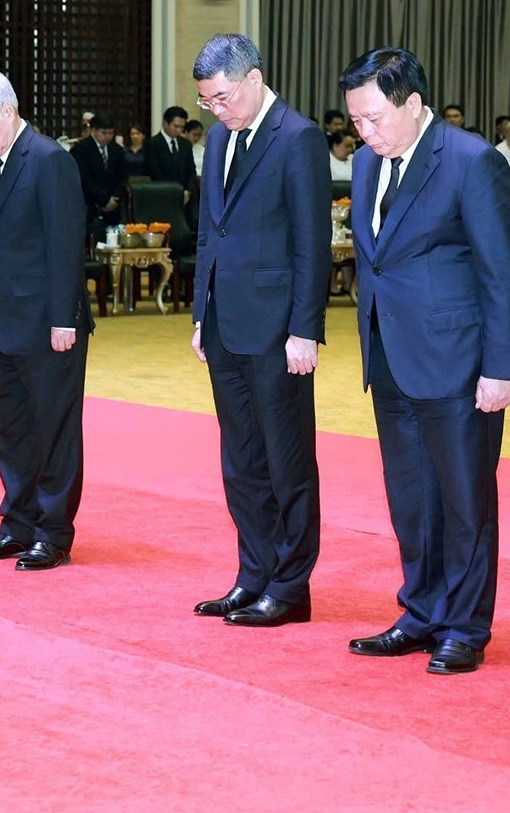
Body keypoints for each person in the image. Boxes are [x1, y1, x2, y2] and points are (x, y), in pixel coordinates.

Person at [341, 47, 510, 676]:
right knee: (412, 496)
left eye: (371, 117)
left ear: (413, 104)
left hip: (459, 359)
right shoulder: (369, 164)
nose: (361, 132)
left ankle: (465, 625)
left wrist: (502, 367)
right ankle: (420, 611)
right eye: (355, 120)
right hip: (391, 354)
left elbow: (502, 274)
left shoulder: (472, 161)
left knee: (464, 497)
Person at [187, 35, 330, 627]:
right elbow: (208, 231)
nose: (214, 111)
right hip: (225, 322)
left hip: (277, 329)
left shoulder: (297, 138)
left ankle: (290, 586)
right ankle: (253, 574)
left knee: (285, 459)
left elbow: (311, 242)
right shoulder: (221, 137)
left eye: (221, 98)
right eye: (205, 103)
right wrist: (201, 311)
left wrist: (305, 328)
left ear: (252, 79)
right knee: (240, 460)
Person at [0, 69, 93, 572]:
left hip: (48, 323)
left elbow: (64, 245)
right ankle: (17, 523)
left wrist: (63, 320)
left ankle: (53, 533)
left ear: (8, 113)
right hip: (3, 321)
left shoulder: (49, 159)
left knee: (53, 429)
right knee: (11, 430)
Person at [72, 113, 129, 241]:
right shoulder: (81, 149)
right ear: (93, 130)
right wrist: (103, 199)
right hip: (90, 205)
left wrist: (115, 197)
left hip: (113, 206)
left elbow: (122, 177)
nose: (108, 137)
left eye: (111, 133)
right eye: (104, 133)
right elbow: (83, 179)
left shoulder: (116, 150)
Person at [143, 106, 197, 209]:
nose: (179, 130)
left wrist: (188, 191)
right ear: (165, 123)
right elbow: (154, 172)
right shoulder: (153, 144)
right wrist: (173, 191)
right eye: (176, 126)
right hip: (162, 196)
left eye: (182, 127)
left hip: (185, 198)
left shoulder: (185, 144)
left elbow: (191, 170)